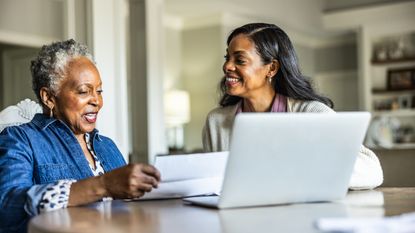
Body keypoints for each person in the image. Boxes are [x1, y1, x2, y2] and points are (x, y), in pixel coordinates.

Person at [0, 39, 160, 233]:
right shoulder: (20, 138)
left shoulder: (107, 146)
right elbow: (7, 206)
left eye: (99, 91)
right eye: (84, 91)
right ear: (49, 98)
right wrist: (103, 185)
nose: (97, 101)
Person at [202, 23, 383, 190]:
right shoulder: (216, 122)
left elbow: (371, 171)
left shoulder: (313, 114)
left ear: (271, 68)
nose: (227, 66)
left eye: (239, 60)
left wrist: (299, 157)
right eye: (228, 58)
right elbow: (213, 183)